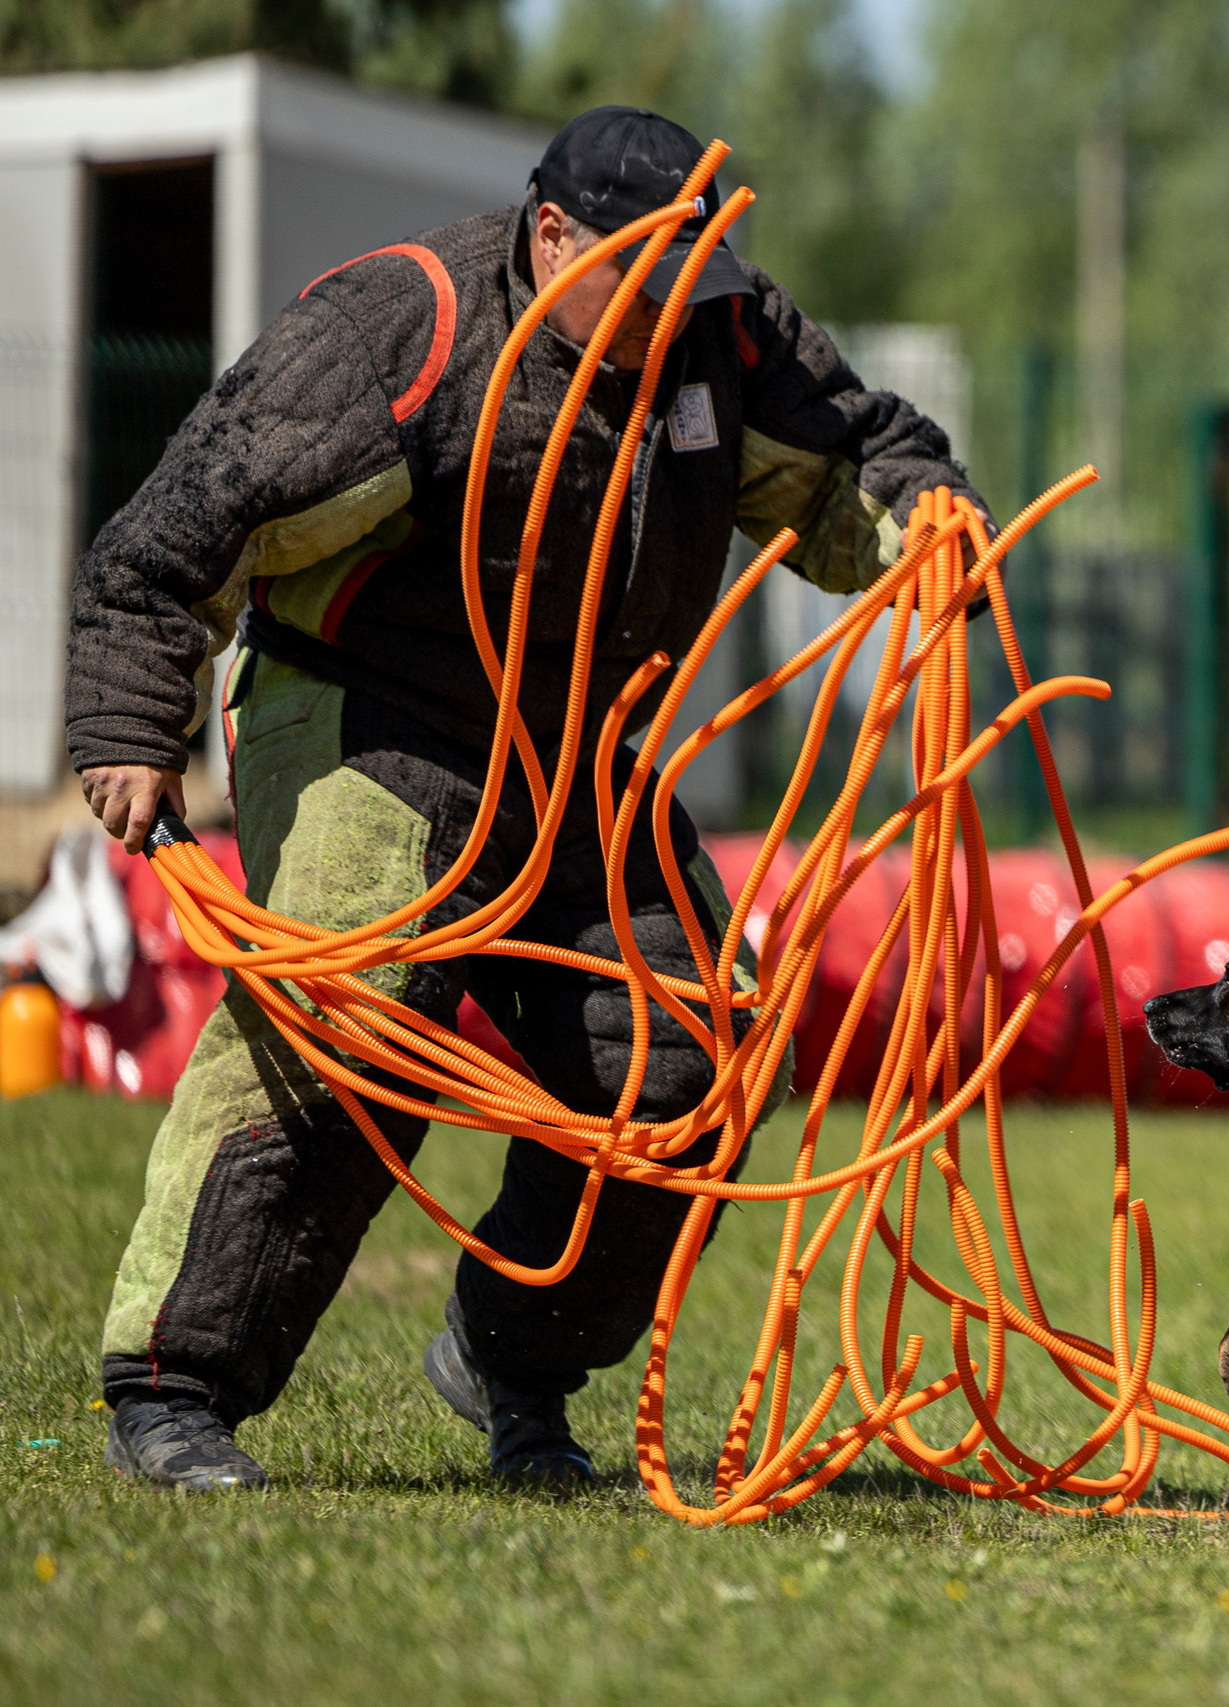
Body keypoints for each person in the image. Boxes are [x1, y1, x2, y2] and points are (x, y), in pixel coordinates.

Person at [66, 106, 985, 1492]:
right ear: (554, 237)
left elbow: (864, 457)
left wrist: (932, 525)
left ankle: (513, 1354)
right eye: (647, 281)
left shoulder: (725, 331)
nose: (679, 312)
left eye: (696, 282)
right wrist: (133, 722)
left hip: (578, 749)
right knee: (358, 1003)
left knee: (694, 1058)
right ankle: (172, 1385)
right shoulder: (402, 325)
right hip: (368, 705)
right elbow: (175, 530)